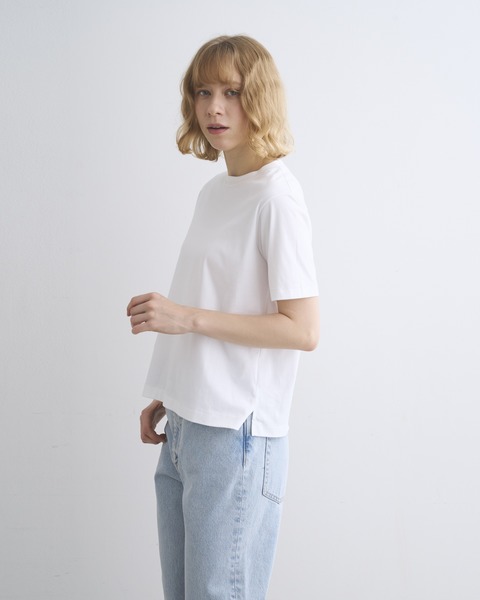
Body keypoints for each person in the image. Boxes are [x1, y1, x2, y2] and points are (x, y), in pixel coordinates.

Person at [127, 34, 319, 600]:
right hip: (188, 425)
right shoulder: (216, 192)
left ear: (259, 97)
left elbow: (303, 329)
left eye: (232, 92)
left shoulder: (277, 199)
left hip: (237, 434)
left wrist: (185, 319)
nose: (214, 107)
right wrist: (173, 390)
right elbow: (223, 295)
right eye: (203, 91)